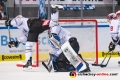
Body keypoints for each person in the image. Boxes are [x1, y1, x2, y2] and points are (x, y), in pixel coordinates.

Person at [44, 6, 90, 72]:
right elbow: (56, 51)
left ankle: (83, 66)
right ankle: (81, 64)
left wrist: (54, 11)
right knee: (60, 66)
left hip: (72, 45)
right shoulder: (51, 40)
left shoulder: (55, 28)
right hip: (65, 50)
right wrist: (54, 58)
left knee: (67, 51)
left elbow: (54, 21)